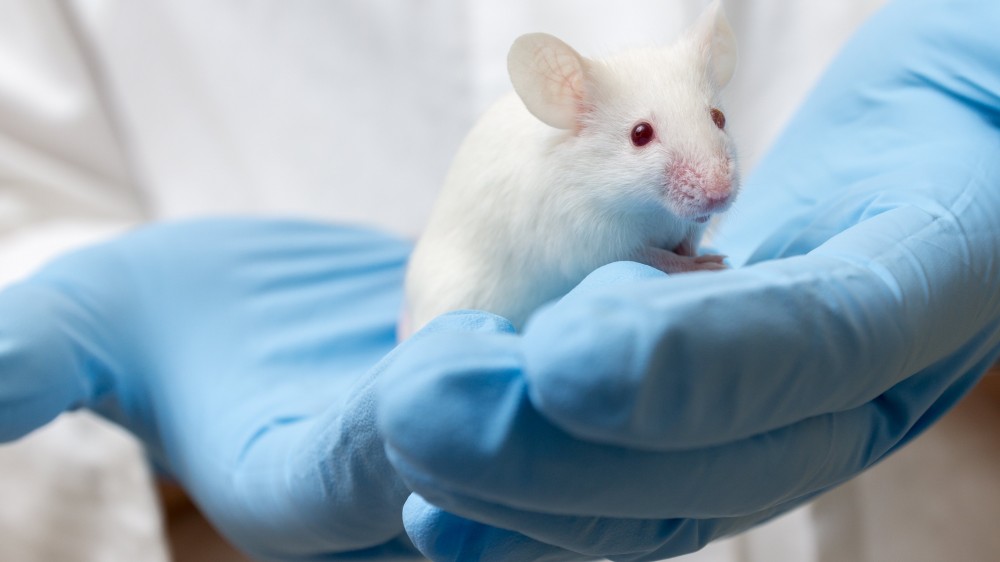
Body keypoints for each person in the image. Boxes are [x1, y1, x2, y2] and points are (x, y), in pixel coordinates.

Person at [1, 0, 998, 561]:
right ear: (564, 104)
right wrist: (149, 373)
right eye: (647, 137)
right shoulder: (552, 172)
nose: (712, 169)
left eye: (715, 130)